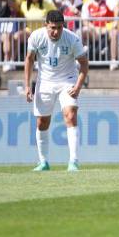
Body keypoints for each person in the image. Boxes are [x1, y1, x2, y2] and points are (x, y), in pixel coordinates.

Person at [24, 10, 89, 171]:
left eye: (59, 28)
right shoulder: (36, 37)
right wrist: (27, 85)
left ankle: (73, 161)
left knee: (71, 115)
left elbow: (84, 64)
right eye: (52, 28)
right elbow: (29, 60)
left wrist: (78, 86)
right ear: (46, 25)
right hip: (45, 82)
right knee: (42, 122)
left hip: (67, 80)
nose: (56, 31)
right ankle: (43, 162)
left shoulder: (72, 39)